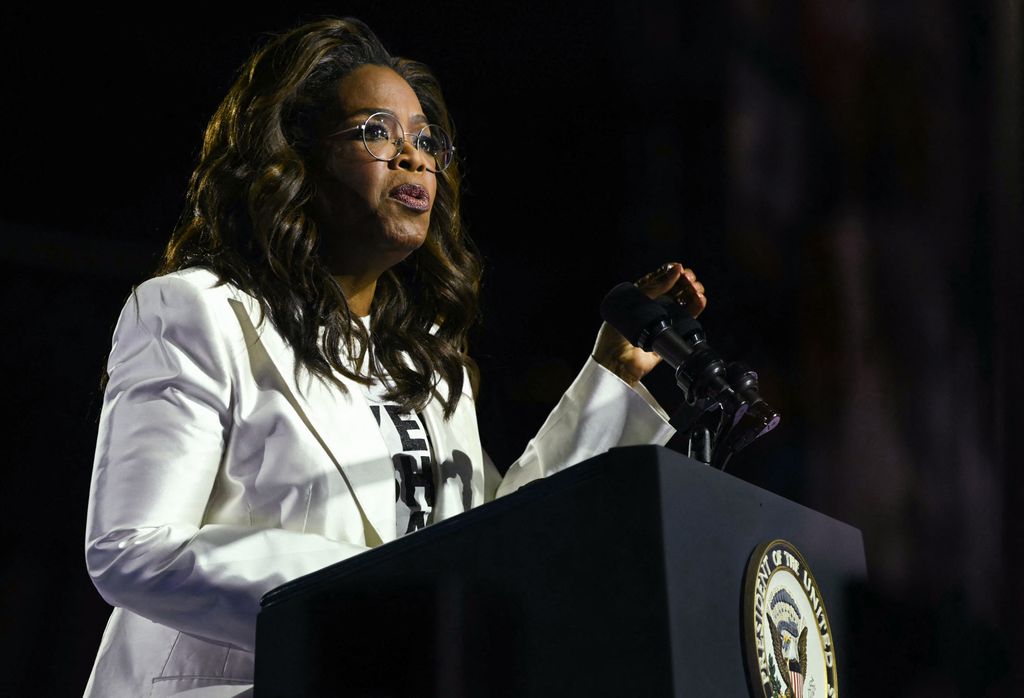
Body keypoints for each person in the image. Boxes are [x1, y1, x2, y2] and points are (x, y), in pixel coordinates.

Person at [83, 17, 707, 697]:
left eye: (425, 140)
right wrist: (376, 603)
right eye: (375, 131)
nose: (412, 157)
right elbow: (134, 547)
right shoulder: (197, 312)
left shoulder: (428, 367)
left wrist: (611, 377)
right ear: (298, 161)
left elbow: (500, 550)